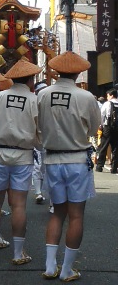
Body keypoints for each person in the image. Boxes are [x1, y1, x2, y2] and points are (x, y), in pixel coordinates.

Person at [37, 51, 101, 282]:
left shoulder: (42, 95)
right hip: (76, 160)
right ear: (78, 72)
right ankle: (66, 269)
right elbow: (94, 129)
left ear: (56, 71)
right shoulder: (86, 97)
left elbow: (37, 124)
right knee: (76, 215)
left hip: (52, 160)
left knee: (56, 213)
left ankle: (49, 265)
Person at [0, 59, 41, 264]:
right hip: (23, 156)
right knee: (18, 206)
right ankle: (17, 254)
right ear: (31, 80)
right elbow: (38, 130)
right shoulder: (34, 100)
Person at [96, 88, 118, 173]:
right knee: (115, 147)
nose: (107, 97)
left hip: (107, 127)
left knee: (104, 146)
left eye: (108, 95)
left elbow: (102, 115)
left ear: (111, 95)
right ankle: (114, 167)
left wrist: (100, 125)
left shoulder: (107, 104)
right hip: (117, 128)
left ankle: (99, 166)